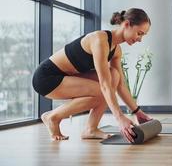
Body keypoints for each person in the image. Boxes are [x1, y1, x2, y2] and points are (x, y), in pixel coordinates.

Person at [32, 8, 152, 142]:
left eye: (143, 35)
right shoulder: (99, 40)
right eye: (139, 33)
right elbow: (105, 85)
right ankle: (53, 117)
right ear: (127, 24)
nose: (140, 39)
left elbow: (121, 85)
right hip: (46, 78)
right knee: (103, 90)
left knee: (115, 75)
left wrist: (137, 112)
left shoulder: (116, 50)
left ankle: (91, 128)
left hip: (67, 76)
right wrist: (120, 118)